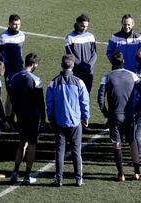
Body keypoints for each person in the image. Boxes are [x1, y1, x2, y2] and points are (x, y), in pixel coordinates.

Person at [98, 52, 141, 181]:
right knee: (132, 141)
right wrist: (137, 109)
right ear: (123, 61)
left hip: (115, 116)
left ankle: (121, 174)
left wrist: (105, 112)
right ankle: (137, 172)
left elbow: (100, 97)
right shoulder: (132, 75)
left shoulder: (107, 76)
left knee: (116, 144)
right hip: (129, 115)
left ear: (112, 63)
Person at [46, 54, 90, 187]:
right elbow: (84, 102)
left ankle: (58, 179)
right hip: (75, 122)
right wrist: (85, 117)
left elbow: (49, 102)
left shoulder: (54, 82)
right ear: (73, 65)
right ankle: (78, 178)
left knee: (59, 150)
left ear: (61, 65)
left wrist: (51, 117)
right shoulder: (79, 82)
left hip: (59, 121)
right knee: (76, 150)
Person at [9, 53, 46, 185]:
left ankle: (15, 172)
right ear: (34, 64)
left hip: (20, 116)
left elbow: (11, 98)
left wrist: (12, 116)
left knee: (21, 143)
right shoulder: (36, 79)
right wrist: (44, 118)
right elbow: (41, 101)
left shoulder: (15, 77)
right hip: (33, 117)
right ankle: (27, 175)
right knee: (32, 145)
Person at [0, 14, 25, 130]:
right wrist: (0, 67)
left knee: (18, 93)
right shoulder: (2, 36)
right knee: (10, 93)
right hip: (8, 69)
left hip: (19, 68)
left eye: (18, 24)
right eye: (14, 24)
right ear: (9, 23)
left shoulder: (22, 35)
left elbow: (20, 50)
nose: (16, 26)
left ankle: (15, 117)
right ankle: (9, 118)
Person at [65, 14, 97, 94]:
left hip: (89, 72)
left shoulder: (91, 36)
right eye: (82, 26)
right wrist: (82, 67)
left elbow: (94, 54)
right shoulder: (69, 37)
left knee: (87, 94)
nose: (84, 28)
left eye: (86, 26)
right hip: (76, 72)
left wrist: (88, 66)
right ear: (77, 23)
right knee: (76, 95)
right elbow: (71, 56)